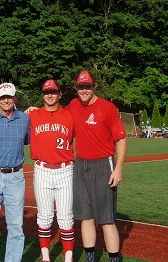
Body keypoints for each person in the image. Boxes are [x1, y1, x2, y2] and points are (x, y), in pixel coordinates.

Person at [65, 70, 127, 262]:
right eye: (80, 87)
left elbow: (121, 139)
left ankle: (114, 258)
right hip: (81, 165)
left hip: (103, 165)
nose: (84, 90)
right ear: (76, 89)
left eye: (87, 86)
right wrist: (34, 109)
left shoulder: (107, 108)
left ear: (94, 87)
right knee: (86, 216)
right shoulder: (73, 105)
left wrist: (118, 169)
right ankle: (90, 257)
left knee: (106, 219)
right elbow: (56, 114)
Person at [28, 79, 75, 262]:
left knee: (65, 217)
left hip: (65, 171)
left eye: (53, 92)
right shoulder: (32, 115)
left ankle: (68, 258)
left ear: (60, 94)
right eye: (47, 92)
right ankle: (46, 257)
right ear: (42, 95)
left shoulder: (70, 115)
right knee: (44, 217)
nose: (50, 95)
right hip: (42, 170)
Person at [0, 82, 30, 262]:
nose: (6, 100)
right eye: (3, 97)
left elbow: (28, 140)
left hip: (15, 177)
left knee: (16, 225)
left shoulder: (25, 119)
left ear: (15, 98)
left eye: (9, 97)